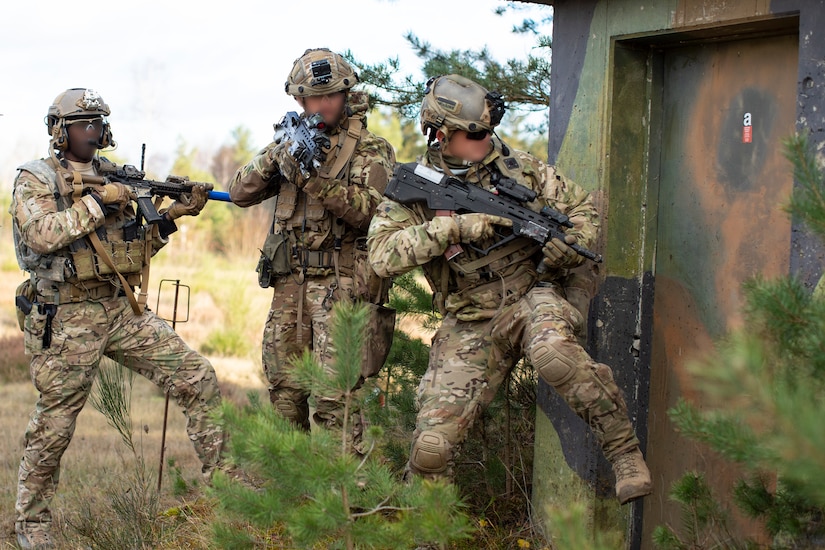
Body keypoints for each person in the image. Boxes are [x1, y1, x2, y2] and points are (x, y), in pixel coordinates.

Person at [367, 74, 652, 504]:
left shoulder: (519, 170)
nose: (486, 140)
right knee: (430, 450)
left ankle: (624, 453)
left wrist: (567, 248)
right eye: (475, 134)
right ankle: (429, 533)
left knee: (554, 355)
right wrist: (452, 227)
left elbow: (581, 210)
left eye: (487, 130)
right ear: (441, 135)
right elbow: (382, 255)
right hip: (469, 318)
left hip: (529, 297)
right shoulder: (415, 186)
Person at [9, 88, 225, 549]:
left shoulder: (116, 177)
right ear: (59, 131)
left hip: (120, 309)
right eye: (83, 123)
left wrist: (173, 215)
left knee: (198, 376)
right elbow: (43, 235)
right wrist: (97, 202)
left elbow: (132, 251)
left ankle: (225, 487)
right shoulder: (37, 178)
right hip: (65, 316)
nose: (93, 131)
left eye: (98, 122)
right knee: (56, 424)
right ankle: (31, 523)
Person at [228, 48, 396, 447]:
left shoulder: (371, 149)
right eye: (311, 99)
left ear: (346, 94)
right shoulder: (291, 142)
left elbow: (370, 212)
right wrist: (277, 158)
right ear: (298, 100)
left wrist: (311, 179)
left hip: (341, 289)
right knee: (285, 392)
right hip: (290, 286)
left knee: (335, 398)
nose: (320, 106)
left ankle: (345, 501)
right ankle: (293, 499)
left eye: (329, 97)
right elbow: (238, 192)